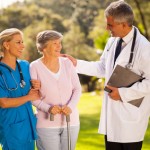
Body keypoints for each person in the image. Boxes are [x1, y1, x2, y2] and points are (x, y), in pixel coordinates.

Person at [63, 0, 150, 150]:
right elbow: (103, 68)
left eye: (110, 25)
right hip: (112, 118)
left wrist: (122, 93)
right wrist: (76, 63)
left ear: (123, 24)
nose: (106, 28)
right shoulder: (112, 42)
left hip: (131, 118)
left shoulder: (144, 48)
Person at [30, 30, 81, 150]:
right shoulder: (34, 66)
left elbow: (77, 89)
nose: (59, 46)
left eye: (60, 43)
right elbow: (33, 96)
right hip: (46, 124)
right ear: (44, 47)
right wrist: (48, 108)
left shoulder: (67, 63)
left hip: (71, 121)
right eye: (55, 43)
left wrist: (71, 107)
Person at [0, 28, 40, 150]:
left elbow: (34, 89)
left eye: (22, 42)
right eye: (18, 42)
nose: (22, 46)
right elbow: (3, 102)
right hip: (11, 126)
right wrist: (29, 97)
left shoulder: (25, 65)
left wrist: (37, 85)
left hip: (28, 123)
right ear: (6, 45)